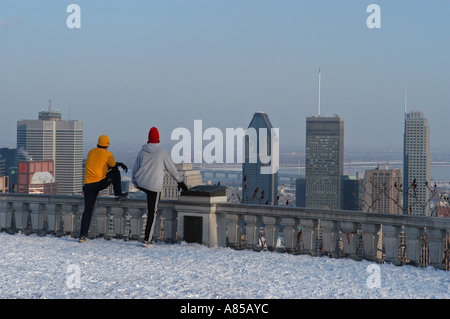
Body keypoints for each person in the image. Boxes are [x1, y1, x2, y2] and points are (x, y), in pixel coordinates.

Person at [132, 127, 188, 247]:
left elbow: (135, 169)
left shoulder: (142, 152)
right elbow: (171, 168)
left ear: (148, 139)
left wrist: (135, 183)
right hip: (154, 186)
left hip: (142, 183)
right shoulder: (161, 152)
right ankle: (147, 239)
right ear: (158, 139)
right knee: (152, 212)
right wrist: (179, 181)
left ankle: (147, 238)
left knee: (150, 208)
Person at [79, 135, 128, 243]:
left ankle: (82, 236)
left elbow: (100, 164)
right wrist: (120, 165)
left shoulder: (91, 152)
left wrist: (117, 164)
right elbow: (113, 168)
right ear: (107, 145)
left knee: (87, 211)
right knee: (116, 172)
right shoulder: (107, 154)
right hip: (99, 183)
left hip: (88, 186)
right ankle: (118, 195)